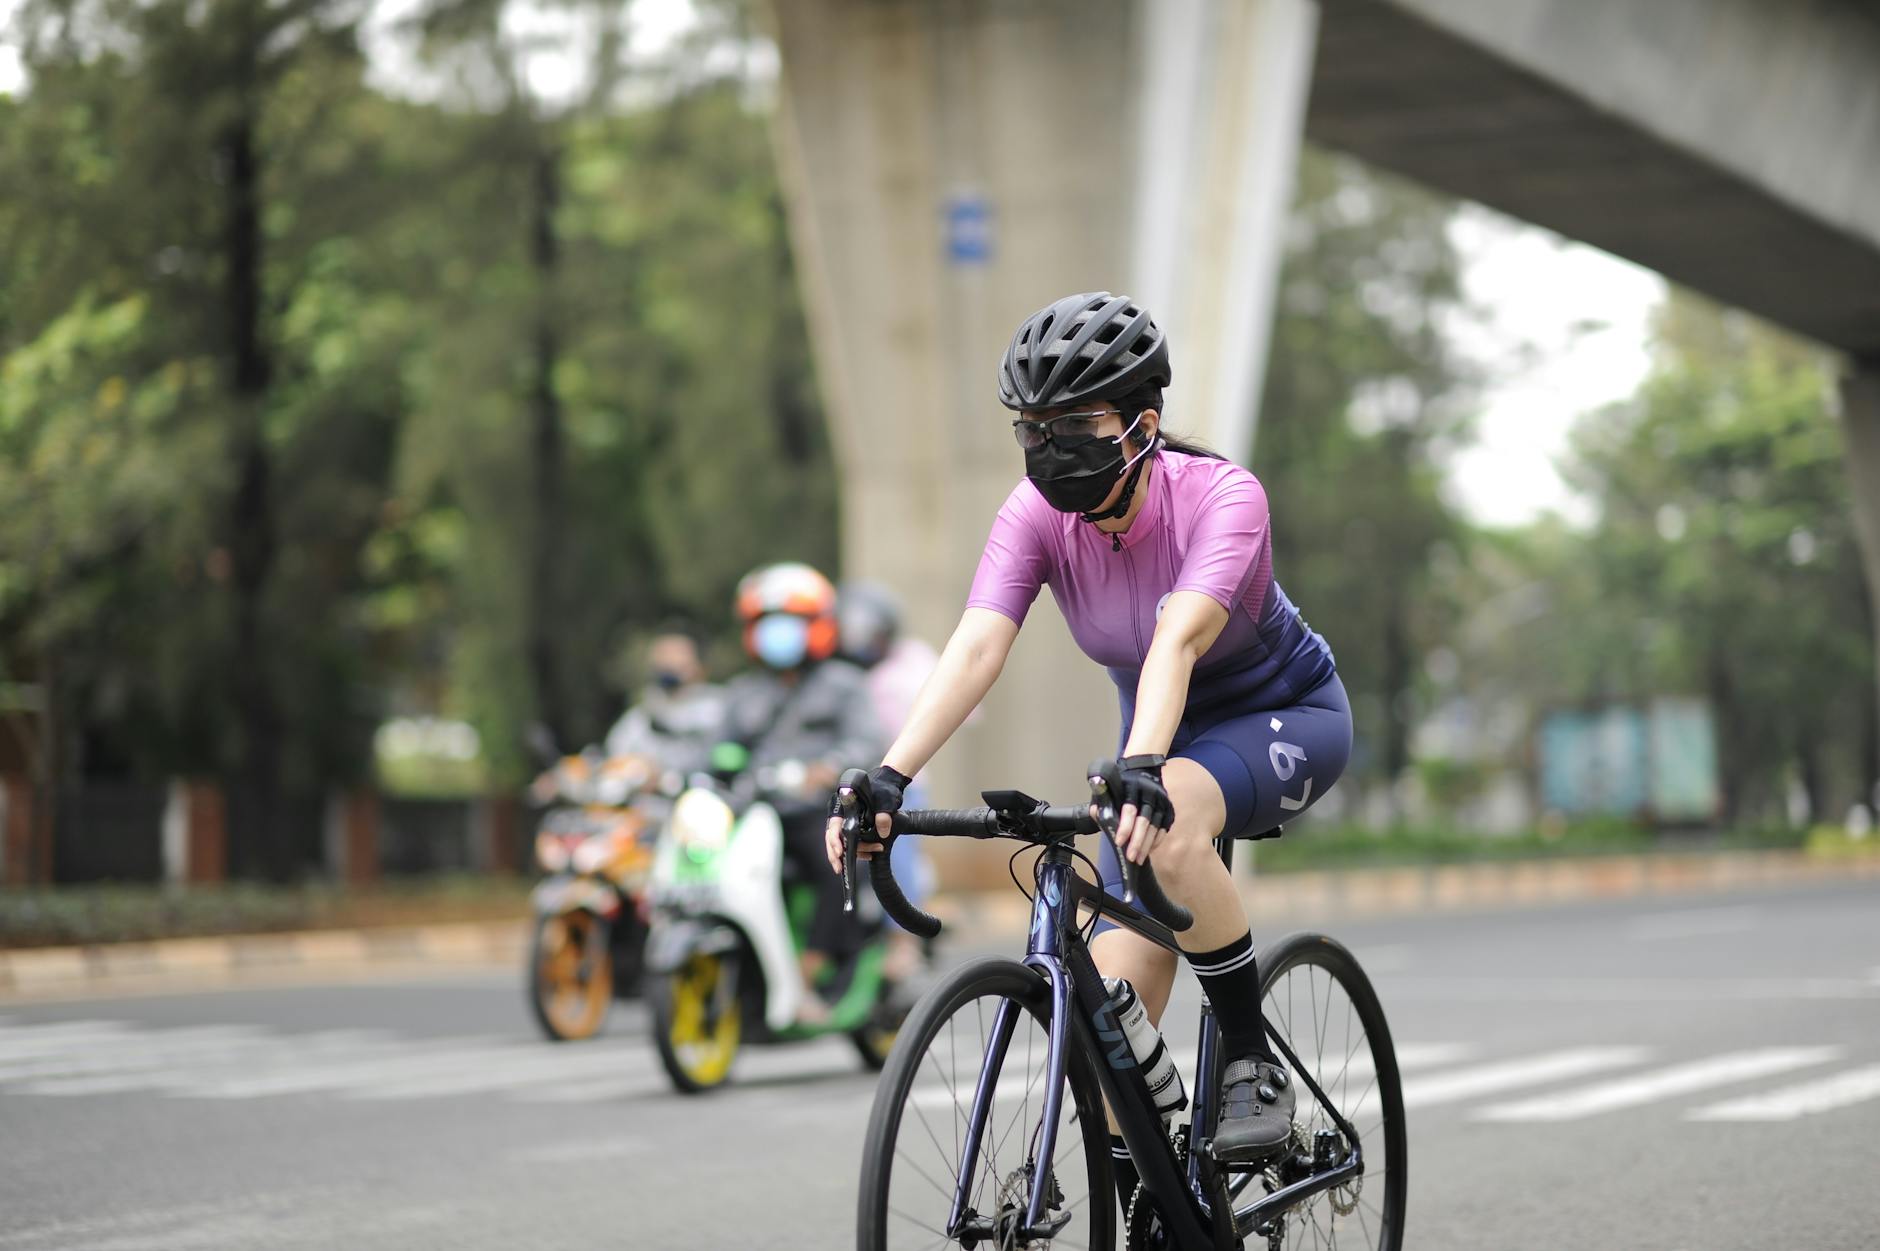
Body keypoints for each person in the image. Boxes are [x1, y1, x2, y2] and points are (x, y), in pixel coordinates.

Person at [824, 292, 1352, 1183]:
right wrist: (890, 773)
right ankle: (1161, 1196)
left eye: (1074, 425)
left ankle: (1252, 1058)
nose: (1047, 449)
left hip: (1280, 717)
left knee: (1175, 809)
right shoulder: (1035, 516)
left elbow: (1179, 636)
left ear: (1143, 425)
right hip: (1149, 738)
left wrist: (1145, 764)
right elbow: (977, 645)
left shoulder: (1223, 496)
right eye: (1031, 429)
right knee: (1112, 1024)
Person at [721, 562, 885, 1023]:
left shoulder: (844, 686)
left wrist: (828, 770)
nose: (778, 635)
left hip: (818, 810)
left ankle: (808, 975)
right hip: (756, 815)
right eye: (768, 623)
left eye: (790, 623)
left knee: (835, 858)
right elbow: (718, 750)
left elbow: (867, 742)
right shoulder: (742, 693)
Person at [837, 581, 942, 980]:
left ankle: (905, 943)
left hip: (902, 780)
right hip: (853, 777)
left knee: (896, 853)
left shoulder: (912, 662)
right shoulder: (843, 674)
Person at [601, 626, 726, 781]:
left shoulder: (722, 711)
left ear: (699, 666)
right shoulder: (642, 716)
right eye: (663, 655)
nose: (668, 662)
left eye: (676, 654)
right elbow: (614, 756)